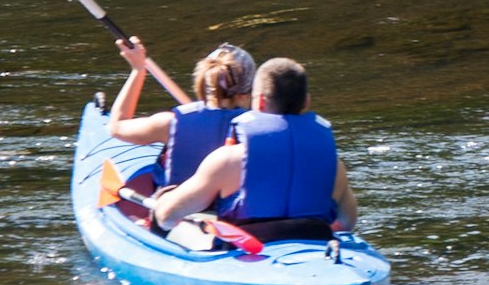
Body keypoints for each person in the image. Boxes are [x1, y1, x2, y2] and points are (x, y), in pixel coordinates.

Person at [141, 57, 359, 251]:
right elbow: (347, 222)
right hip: (314, 250)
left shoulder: (227, 160)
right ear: (306, 102)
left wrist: (164, 199)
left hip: (249, 254)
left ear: (260, 102)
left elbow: (166, 217)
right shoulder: (333, 166)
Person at [108, 38, 255, 197]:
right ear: (249, 92)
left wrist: (138, 70)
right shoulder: (260, 129)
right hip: (234, 214)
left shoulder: (169, 124)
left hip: (177, 210)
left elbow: (116, 127)